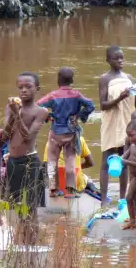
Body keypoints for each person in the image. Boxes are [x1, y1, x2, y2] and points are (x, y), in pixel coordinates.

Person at [3, 71, 49, 245]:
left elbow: (28, 137)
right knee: (16, 207)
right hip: (13, 162)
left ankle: (31, 247)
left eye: (28, 87)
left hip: (30, 163)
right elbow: (5, 135)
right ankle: (21, 243)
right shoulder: (11, 107)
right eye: (20, 87)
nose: (23, 90)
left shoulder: (41, 112)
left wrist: (17, 115)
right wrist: (14, 114)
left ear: (37, 89)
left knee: (30, 209)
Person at [37, 67, 95, 198]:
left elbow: (38, 106)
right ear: (72, 81)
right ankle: (70, 191)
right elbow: (91, 105)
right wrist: (79, 115)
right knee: (70, 160)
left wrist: (48, 116)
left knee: (52, 161)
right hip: (71, 132)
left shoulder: (53, 96)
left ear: (58, 80)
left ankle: (53, 189)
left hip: (55, 132)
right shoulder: (77, 95)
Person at [98, 46, 136, 207]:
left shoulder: (129, 78)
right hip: (111, 123)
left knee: (124, 161)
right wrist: (119, 97)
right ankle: (103, 200)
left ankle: (123, 199)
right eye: (116, 58)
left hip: (126, 122)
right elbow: (103, 105)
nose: (120, 61)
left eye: (121, 58)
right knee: (107, 161)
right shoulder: (104, 79)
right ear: (108, 61)